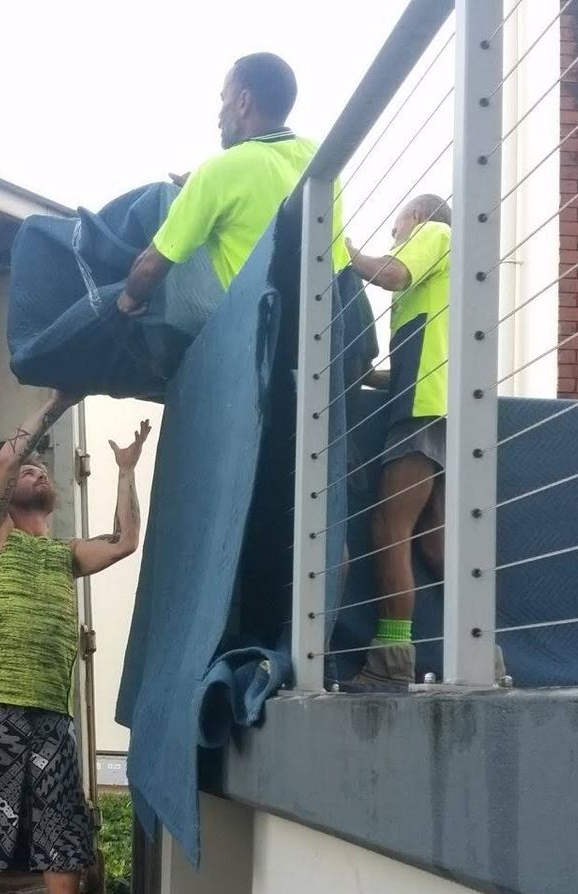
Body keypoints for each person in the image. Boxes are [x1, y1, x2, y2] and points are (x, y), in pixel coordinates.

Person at [0, 391, 149, 894]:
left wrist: (128, 469)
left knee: (61, 829)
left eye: (42, 471)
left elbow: (125, 539)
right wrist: (59, 403)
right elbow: (8, 458)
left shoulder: (64, 555)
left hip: (54, 715)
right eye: (27, 469)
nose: (34, 470)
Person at [117, 52, 346, 316]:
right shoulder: (318, 158)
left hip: (266, 333)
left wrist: (126, 301)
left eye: (224, 98)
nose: (219, 113)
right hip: (332, 319)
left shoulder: (221, 170)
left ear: (243, 102)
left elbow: (150, 267)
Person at [340, 195, 454, 689]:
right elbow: (417, 362)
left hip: (422, 412)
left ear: (418, 218)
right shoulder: (438, 286)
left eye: (398, 224)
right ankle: (485, 651)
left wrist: (343, 251)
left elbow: (389, 273)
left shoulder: (437, 234)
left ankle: (389, 662)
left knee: (390, 528)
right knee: (437, 543)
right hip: (443, 407)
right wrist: (366, 377)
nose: (394, 236)